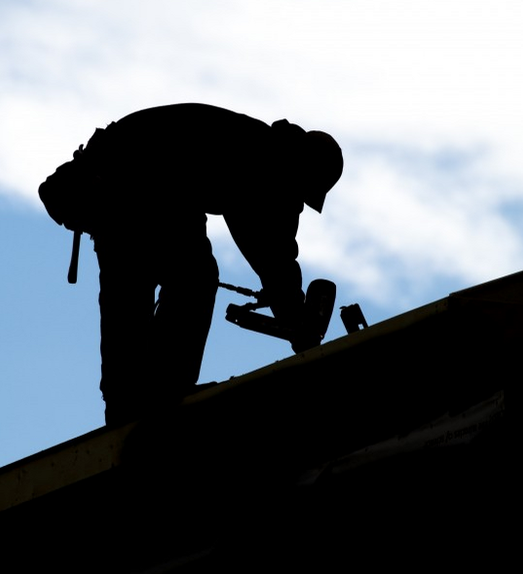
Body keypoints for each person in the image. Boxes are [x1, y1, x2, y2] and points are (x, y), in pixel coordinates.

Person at [39, 103, 343, 425]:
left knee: (130, 293)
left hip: (112, 185)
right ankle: (161, 390)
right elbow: (270, 248)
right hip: (138, 183)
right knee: (192, 276)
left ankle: (125, 405)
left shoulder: (256, 145)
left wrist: (289, 310)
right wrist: (296, 320)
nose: (297, 202)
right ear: (304, 170)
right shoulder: (267, 159)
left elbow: (266, 245)